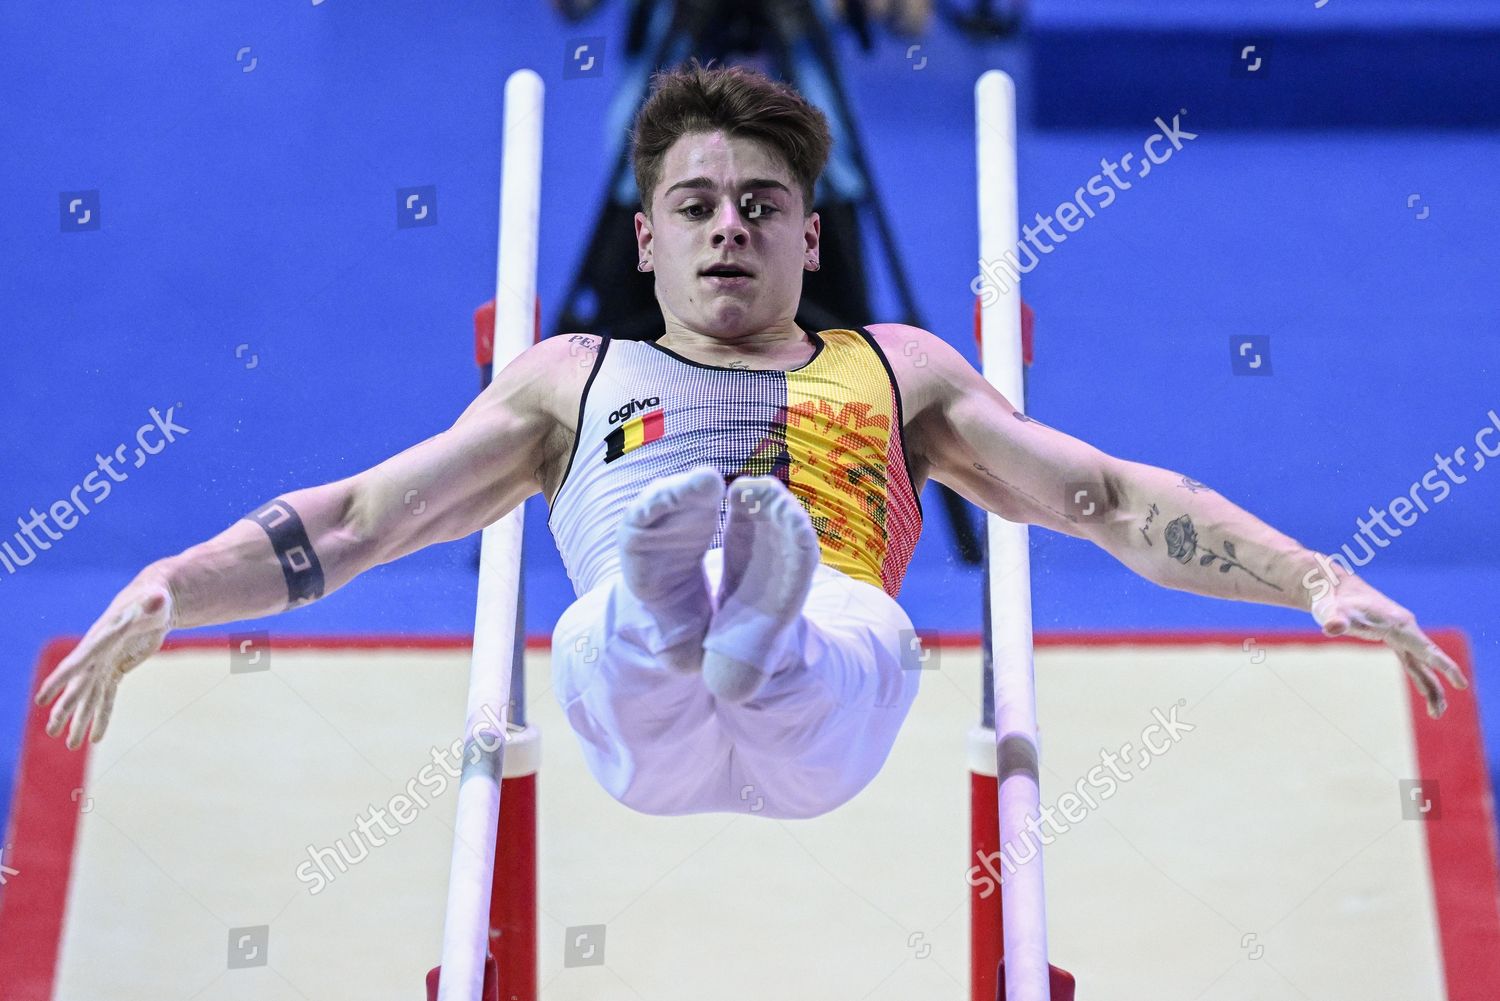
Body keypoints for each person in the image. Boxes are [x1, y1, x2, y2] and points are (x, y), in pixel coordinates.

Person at [35, 61, 1467, 821]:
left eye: (765, 203)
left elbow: (1103, 496)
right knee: (622, 648)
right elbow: (355, 520)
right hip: (645, 691)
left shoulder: (898, 369)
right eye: (701, 203)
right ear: (644, 236)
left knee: (840, 640)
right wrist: (172, 583)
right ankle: (686, 605)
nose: (734, 224)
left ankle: (741, 616)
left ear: (811, 235)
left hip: (830, 655)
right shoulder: (564, 376)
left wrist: (1310, 576)